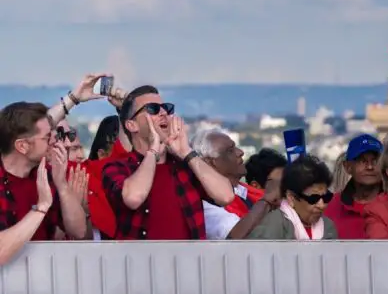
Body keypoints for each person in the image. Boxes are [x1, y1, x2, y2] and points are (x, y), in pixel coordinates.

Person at [101, 85, 235, 240]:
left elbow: (225, 196)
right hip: (140, 262)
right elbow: (133, 198)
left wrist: (186, 152)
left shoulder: (185, 167)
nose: (163, 113)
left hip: (187, 262)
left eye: (166, 108)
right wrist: (153, 152)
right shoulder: (118, 168)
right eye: (152, 109)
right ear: (132, 125)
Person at [0, 101, 90, 261]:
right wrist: (41, 207)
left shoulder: (48, 174)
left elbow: (79, 231)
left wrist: (62, 185)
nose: (56, 142)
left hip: (44, 278)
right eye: (47, 138)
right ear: (22, 146)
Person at [193, 129, 280, 240]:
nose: (240, 152)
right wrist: (266, 200)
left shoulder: (244, 191)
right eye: (230, 150)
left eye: (235, 147)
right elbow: (234, 237)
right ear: (210, 162)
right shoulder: (205, 203)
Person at [249, 156, 337, 241]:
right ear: (291, 198)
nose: (321, 205)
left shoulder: (327, 226)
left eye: (326, 197)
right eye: (313, 198)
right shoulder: (273, 225)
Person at [324, 134, 384, 239]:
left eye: (375, 161)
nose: (370, 167)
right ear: (348, 167)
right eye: (362, 161)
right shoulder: (330, 207)